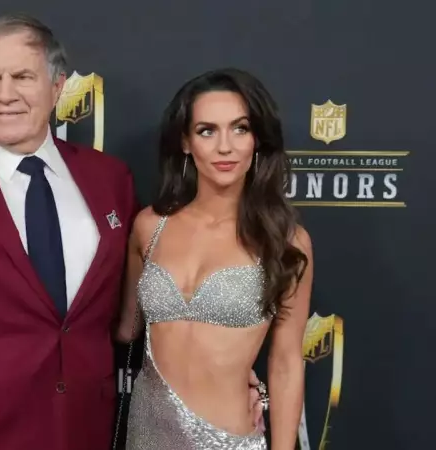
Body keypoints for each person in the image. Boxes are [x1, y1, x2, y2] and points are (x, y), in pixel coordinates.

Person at [0, 13, 265, 450]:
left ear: (57, 87)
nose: (4, 94)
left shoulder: (109, 180)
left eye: (22, 77)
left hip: (86, 432)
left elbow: (145, 306)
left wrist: (221, 373)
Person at [116, 68, 313, 450]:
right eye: (207, 131)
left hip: (227, 439)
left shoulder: (285, 242)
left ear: (257, 139)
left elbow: (287, 364)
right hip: (146, 435)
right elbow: (126, 328)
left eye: (240, 128)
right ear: (186, 142)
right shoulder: (149, 226)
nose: (226, 147)